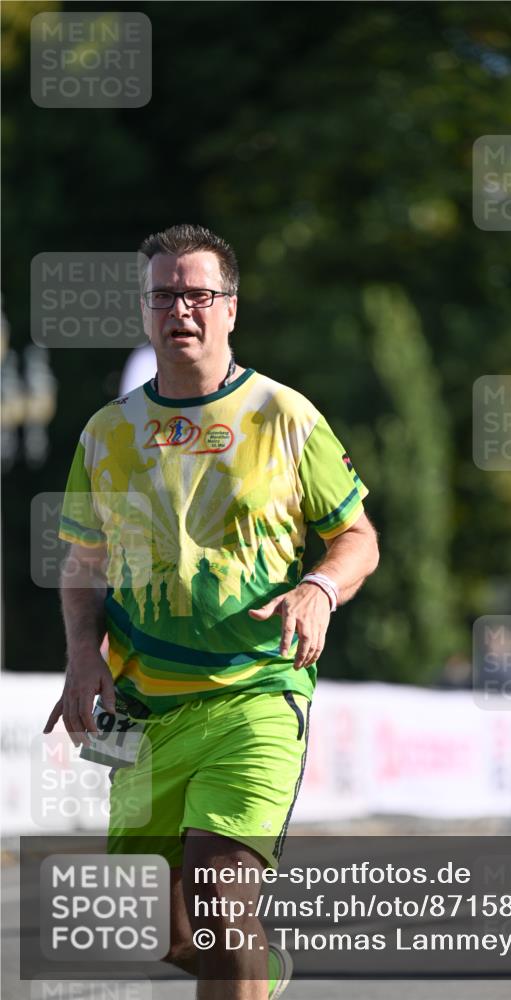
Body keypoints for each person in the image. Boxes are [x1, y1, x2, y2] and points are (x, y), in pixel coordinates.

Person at [44, 223, 380, 999]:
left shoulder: (287, 418)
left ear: (231, 308)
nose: (180, 309)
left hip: (256, 694)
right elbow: (83, 562)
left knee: (220, 899)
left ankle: (243, 961)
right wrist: (82, 657)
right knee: (161, 930)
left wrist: (319, 587)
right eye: (164, 294)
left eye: (198, 294)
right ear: (144, 310)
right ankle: (256, 970)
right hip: (140, 710)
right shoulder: (107, 433)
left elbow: (356, 537)